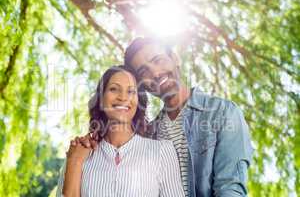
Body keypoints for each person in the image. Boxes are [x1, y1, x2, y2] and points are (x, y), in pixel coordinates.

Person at [123, 37, 254, 197]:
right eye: (144, 72)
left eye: (158, 60)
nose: (155, 73)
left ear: (175, 58)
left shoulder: (222, 112)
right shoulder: (148, 136)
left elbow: (229, 189)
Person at [56, 65, 185, 197]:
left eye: (131, 91)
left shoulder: (162, 151)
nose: (123, 97)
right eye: (114, 89)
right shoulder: (77, 154)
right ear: (101, 98)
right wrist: (74, 162)